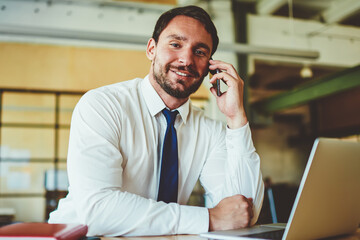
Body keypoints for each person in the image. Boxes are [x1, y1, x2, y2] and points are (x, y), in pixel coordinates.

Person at [48, 5, 264, 237]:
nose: (186, 59)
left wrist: (236, 118)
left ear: (209, 67)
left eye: (200, 52)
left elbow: (241, 213)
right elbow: (97, 210)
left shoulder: (210, 131)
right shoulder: (103, 105)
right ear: (151, 49)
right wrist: (209, 218)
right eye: (175, 44)